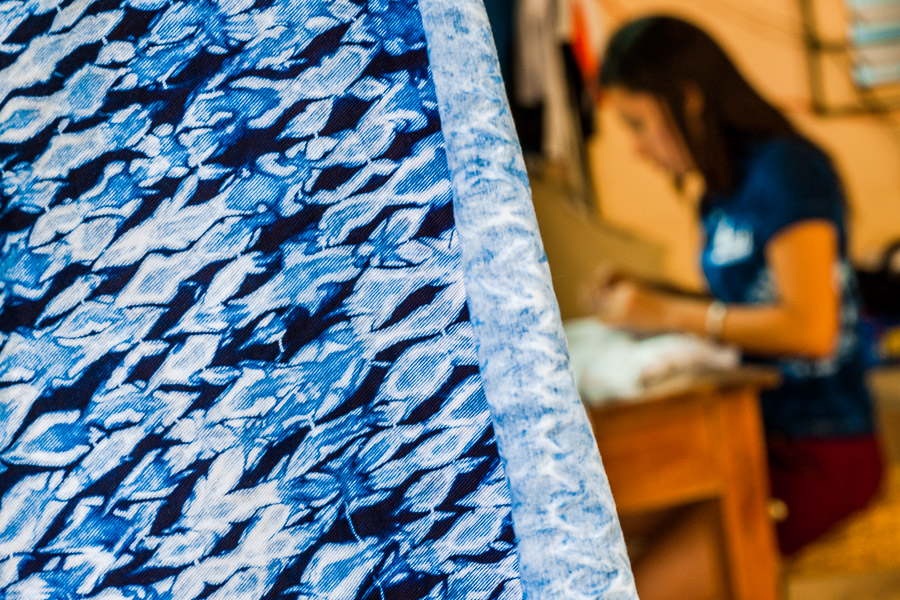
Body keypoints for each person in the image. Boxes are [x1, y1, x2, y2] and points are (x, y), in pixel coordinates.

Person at [590, 15, 884, 600]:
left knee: (634, 586)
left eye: (638, 124)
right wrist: (651, 295)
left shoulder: (786, 169)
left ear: (690, 100)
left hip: (820, 446)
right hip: (753, 435)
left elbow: (809, 327)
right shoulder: (720, 190)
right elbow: (743, 307)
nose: (638, 149)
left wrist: (667, 314)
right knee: (590, 536)